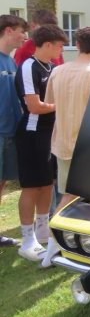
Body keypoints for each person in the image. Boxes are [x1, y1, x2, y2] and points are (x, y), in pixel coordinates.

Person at [40, 27, 90, 267]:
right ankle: (57, 246)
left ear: (77, 45)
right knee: (82, 198)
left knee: (69, 196)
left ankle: (57, 246)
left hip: (64, 142)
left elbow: (49, 101)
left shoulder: (57, 71)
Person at [14, 24, 68, 260]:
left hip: (51, 133)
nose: (61, 50)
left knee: (47, 184)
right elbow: (34, 106)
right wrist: (62, 104)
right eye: (59, 46)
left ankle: (43, 231)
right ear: (47, 44)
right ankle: (27, 240)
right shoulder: (29, 66)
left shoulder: (53, 67)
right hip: (32, 133)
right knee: (31, 186)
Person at [0, 15, 27, 248]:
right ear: (8, 30)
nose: (25, 37)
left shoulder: (10, 62)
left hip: (10, 133)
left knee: (2, 184)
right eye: (21, 31)